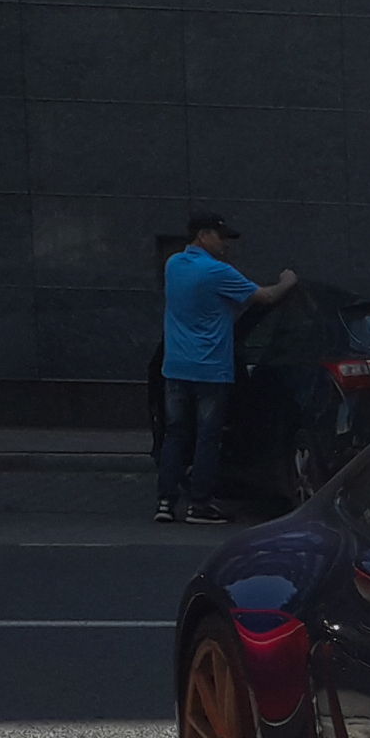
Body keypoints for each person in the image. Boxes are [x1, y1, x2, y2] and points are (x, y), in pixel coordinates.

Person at [158, 213, 295, 523]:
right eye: (221, 238)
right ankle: (199, 504)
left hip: (175, 367)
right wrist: (288, 280)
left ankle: (165, 503)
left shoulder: (173, 265)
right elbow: (266, 296)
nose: (226, 246)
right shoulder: (218, 272)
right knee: (208, 438)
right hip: (210, 369)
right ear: (203, 235)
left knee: (175, 435)